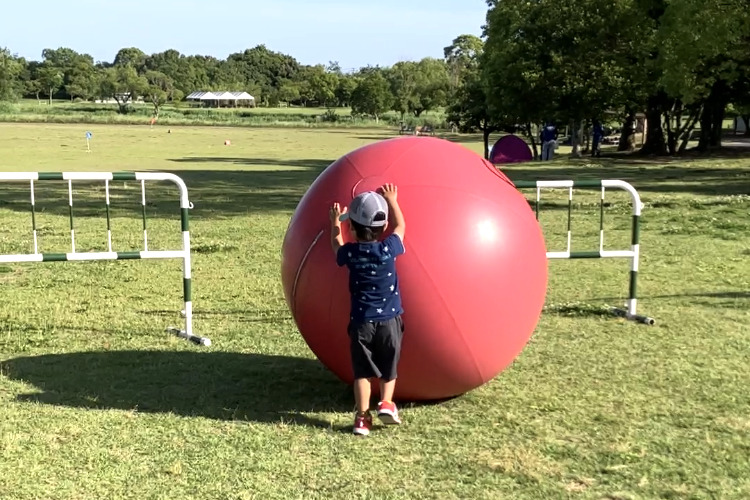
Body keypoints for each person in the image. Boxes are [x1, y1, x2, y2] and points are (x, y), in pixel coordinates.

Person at [330, 183, 406, 436]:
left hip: (362, 322)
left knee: (362, 372)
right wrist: (392, 200)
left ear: (352, 227)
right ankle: (386, 403)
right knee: (389, 367)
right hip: (389, 320)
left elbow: (336, 245)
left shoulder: (351, 254)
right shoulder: (388, 249)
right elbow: (400, 228)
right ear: (382, 228)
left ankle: (362, 418)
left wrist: (334, 223)